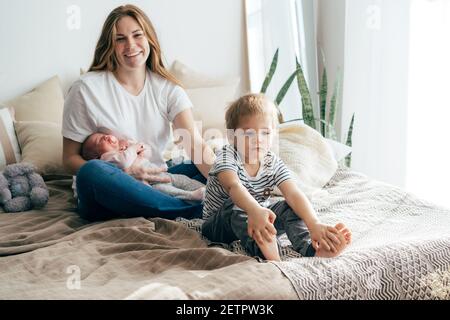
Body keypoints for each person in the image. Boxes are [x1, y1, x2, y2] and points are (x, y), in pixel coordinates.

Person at [62, 5, 215, 221]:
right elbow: (69, 158)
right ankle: (193, 211)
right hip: (108, 190)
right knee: (91, 171)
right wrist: (123, 173)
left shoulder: (168, 89)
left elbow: (196, 146)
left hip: (154, 179)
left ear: (149, 39)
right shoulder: (85, 89)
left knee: (223, 160)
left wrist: (236, 190)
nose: (130, 45)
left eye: (137, 35)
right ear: (110, 46)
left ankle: (210, 200)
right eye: (120, 39)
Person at [201, 94, 352, 261]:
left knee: (289, 206)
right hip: (218, 225)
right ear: (232, 136)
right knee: (236, 206)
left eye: (265, 133)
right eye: (248, 133)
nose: (257, 139)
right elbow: (234, 186)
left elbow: (293, 193)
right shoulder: (226, 157)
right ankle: (271, 255)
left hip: (260, 215)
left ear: (273, 135)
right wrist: (255, 210)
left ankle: (310, 249)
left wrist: (313, 223)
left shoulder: (271, 161)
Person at [81, 132, 206, 201]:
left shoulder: (123, 149)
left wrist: (138, 147)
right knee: (164, 191)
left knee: (183, 179)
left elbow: (147, 154)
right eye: (100, 141)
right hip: (150, 183)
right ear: (96, 156)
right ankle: (190, 196)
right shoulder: (106, 158)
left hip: (162, 173)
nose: (106, 136)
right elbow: (123, 162)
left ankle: (207, 191)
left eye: (103, 134)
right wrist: (133, 148)